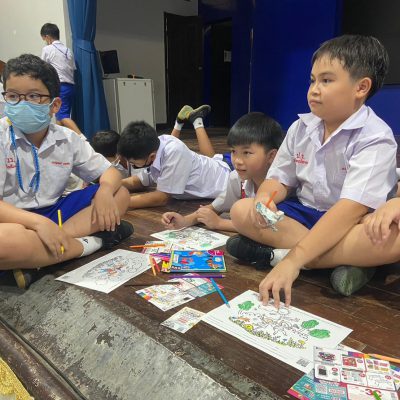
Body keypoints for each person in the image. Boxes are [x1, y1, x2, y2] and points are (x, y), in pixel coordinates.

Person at [226, 35, 398, 306]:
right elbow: (279, 179)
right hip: (303, 214)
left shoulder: (375, 136)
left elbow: (350, 209)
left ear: (361, 87)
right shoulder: (300, 128)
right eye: (313, 80)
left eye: (326, 80)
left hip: (350, 221)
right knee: (241, 210)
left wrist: (292, 262)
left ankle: (282, 256)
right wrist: (265, 197)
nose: (314, 90)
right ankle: (344, 262)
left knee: (394, 239)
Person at [0, 54, 133, 288]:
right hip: (11, 219)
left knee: (119, 194)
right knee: (5, 241)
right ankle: (90, 244)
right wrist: (38, 224)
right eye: (13, 96)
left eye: (33, 96)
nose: (21, 104)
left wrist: (104, 191)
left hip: (57, 214)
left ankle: (39, 255)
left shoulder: (67, 139)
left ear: (54, 105)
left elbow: (110, 173)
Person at [162, 112, 284, 234]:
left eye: (246, 153)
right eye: (233, 151)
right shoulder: (237, 178)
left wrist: (221, 223)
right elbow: (215, 207)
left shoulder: (282, 186)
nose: (237, 161)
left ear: (271, 155)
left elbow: (277, 229)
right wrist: (185, 221)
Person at [118, 121, 231, 209]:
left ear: (151, 157)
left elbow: (161, 198)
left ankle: (197, 122)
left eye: (134, 164)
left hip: (229, 178)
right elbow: (141, 180)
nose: (133, 166)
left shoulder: (173, 152)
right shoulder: (153, 146)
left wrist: (118, 203)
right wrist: (113, 185)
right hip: (217, 166)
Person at [40, 23, 82, 135]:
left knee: (63, 116)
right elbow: (73, 68)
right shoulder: (68, 50)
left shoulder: (48, 49)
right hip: (71, 87)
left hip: (60, 86)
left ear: (47, 37)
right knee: (60, 117)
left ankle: (83, 140)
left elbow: (41, 68)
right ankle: (58, 139)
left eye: (44, 39)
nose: (45, 41)